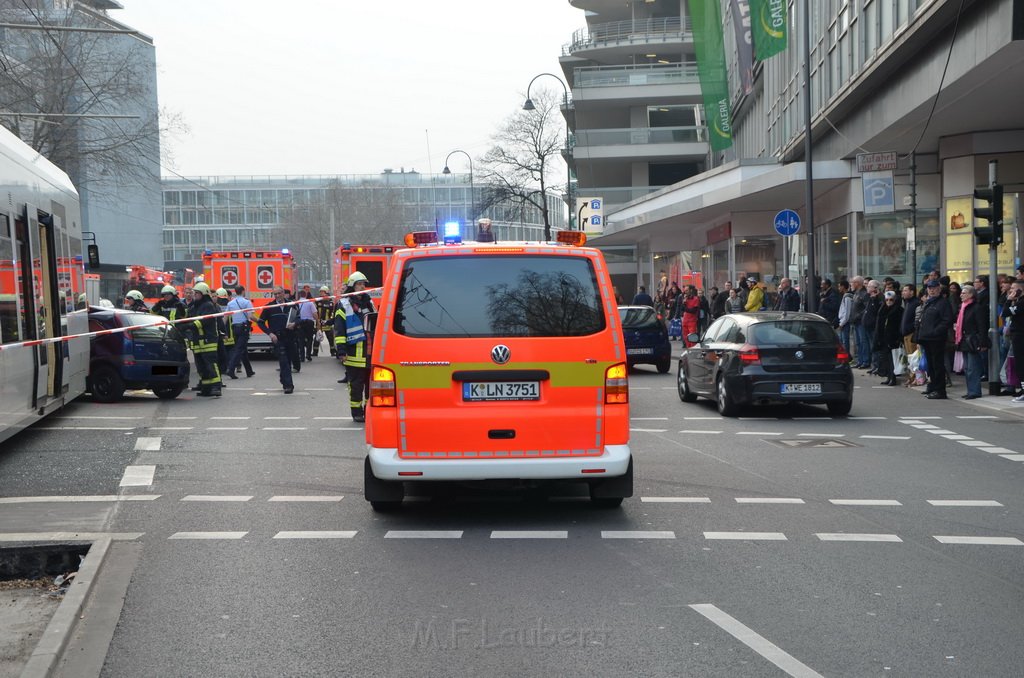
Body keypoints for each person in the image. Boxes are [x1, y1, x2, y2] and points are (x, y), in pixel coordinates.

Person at [335, 271, 375, 422]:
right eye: (359, 284)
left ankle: (368, 410)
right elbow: (339, 330)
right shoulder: (344, 304)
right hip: (353, 354)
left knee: (370, 386)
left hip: (369, 352)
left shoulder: (369, 303)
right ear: (352, 286)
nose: (362, 286)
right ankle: (357, 412)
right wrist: (341, 351)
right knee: (356, 385)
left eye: (364, 284)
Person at [916, 278, 953, 399]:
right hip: (926, 337)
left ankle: (940, 390)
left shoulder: (943, 302)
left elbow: (947, 320)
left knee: (937, 365)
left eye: (934, 288)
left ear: (939, 289)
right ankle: (932, 386)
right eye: (930, 288)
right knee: (930, 365)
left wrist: (935, 331)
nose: (932, 291)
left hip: (936, 338)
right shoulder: (929, 302)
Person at [257, 287, 297, 394]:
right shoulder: (270, 307)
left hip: (290, 336)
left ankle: (284, 378)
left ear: (284, 293)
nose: (277, 296)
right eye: (275, 294)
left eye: (279, 293)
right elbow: (260, 322)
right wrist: (270, 333)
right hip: (278, 338)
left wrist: (295, 324)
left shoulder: (291, 304)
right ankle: (288, 385)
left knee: (288, 362)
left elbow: (299, 317)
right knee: (283, 361)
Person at [185, 282, 222, 397]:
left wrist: (191, 325)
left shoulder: (208, 305)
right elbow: (189, 318)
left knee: (211, 364)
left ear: (203, 294)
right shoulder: (194, 306)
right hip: (197, 341)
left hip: (207, 340)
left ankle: (216, 387)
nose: (194, 295)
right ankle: (206, 388)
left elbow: (205, 320)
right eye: (194, 293)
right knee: (201, 366)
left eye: (197, 293)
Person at [955, 285, 989, 399]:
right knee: (967, 367)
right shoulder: (962, 307)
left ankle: (974, 391)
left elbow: (982, 326)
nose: (961, 295)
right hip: (964, 339)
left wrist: (983, 342)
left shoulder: (976, 307)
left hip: (973, 340)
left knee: (973, 367)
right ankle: (970, 390)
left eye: (964, 293)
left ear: (971, 295)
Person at [225, 285, 255, 379]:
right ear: (243, 291)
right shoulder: (247, 302)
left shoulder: (231, 303)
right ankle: (231, 369)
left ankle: (249, 371)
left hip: (235, 328)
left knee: (242, 349)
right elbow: (251, 317)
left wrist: (222, 329)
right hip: (243, 328)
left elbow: (225, 317)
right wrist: (260, 321)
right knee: (238, 349)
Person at [875, 290, 903, 385]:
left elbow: (899, 326)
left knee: (893, 359)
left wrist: (898, 338)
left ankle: (893, 378)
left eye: (891, 300)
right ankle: (888, 376)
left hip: (893, 337)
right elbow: (879, 324)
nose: (889, 302)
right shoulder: (882, 309)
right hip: (884, 337)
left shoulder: (898, 310)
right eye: (887, 300)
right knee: (886, 359)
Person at [1006, 281, 1024, 402]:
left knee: (1021, 363)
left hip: (1021, 334)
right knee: (1019, 363)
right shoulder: (1019, 301)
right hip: (1017, 334)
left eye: (1013, 288)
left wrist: (1009, 300)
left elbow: (1005, 312)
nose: (1010, 291)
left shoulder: (1021, 303)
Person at [900, 284, 920, 384]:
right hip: (905, 334)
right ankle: (911, 376)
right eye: (903, 291)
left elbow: (915, 320)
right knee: (910, 357)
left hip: (911, 334)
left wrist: (911, 329)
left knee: (914, 357)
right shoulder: (907, 303)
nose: (903, 292)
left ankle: (916, 377)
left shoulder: (915, 303)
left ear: (912, 292)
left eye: (905, 290)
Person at [861, 280, 882, 373]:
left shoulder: (879, 298)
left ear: (875, 288)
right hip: (867, 325)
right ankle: (874, 365)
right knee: (870, 345)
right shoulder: (869, 297)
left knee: (875, 346)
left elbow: (877, 311)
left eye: (870, 286)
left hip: (874, 326)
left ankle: (877, 365)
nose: (867, 288)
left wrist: (875, 299)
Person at [313, 285, 336, 357]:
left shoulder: (330, 302)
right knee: (317, 338)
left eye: (322, 292)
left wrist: (330, 320)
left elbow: (333, 313)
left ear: (327, 293)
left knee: (331, 338)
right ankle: (315, 352)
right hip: (319, 323)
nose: (321, 293)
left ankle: (333, 352)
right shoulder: (317, 301)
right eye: (320, 292)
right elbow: (314, 311)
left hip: (327, 323)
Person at [297, 289, 319, 361]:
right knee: (309, 339)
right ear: (306, 295)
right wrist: (317, 321)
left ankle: (302, 356)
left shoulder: (296, 303)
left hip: (300, 322)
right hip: (309, 323)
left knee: (301, 340)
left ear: (299, 295)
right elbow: (314, 313)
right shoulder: (310, 303)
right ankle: (308, 355)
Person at [836, 280, 854, 353]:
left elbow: (847, 312)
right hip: (843, 321)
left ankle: (847, 357)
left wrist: (842, 323)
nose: (838, 288)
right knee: (842, 340)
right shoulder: (844, 296)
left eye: (839, 286)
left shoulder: (847, 297)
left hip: (845, 322)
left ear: (843, 287)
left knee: (845, 341)